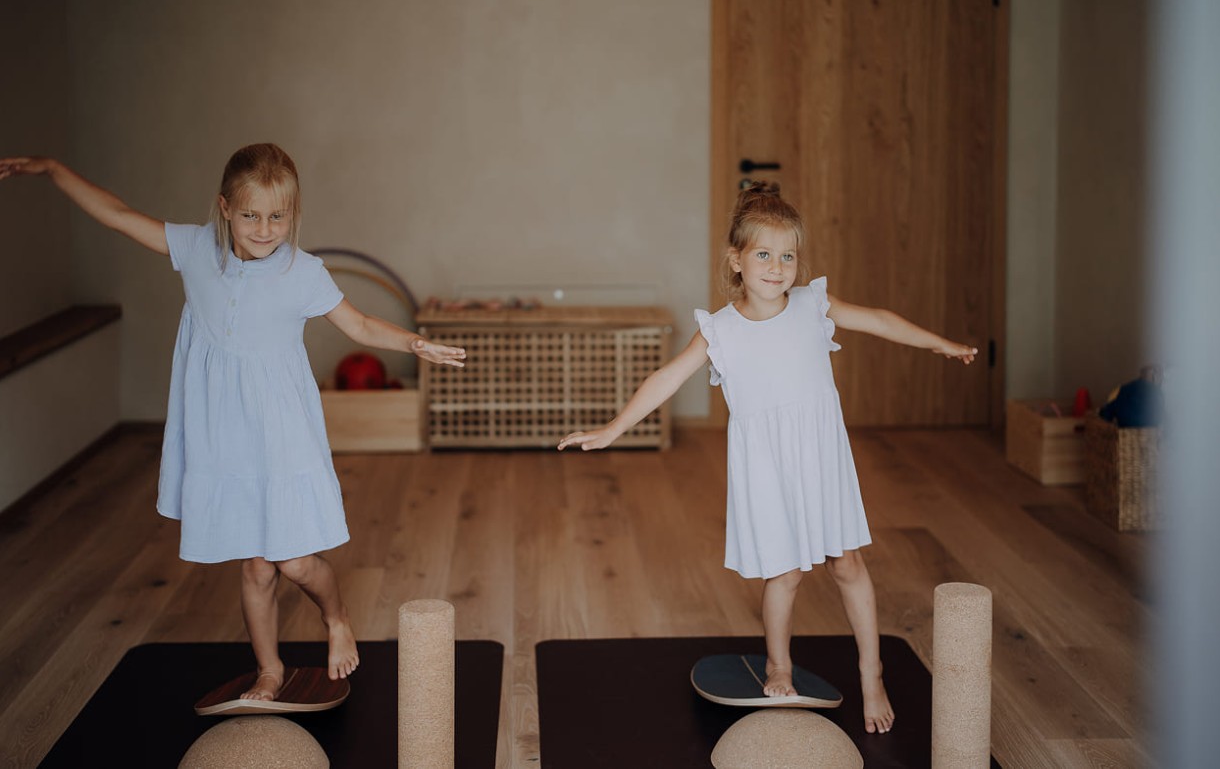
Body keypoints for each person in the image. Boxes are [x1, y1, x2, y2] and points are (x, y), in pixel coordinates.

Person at [0, 145, 466, 705]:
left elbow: (360, 324)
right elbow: (119, 215)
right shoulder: (196, 249)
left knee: (293, 560)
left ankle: (336, 615)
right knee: (256, 566)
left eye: (278, 215)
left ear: (294, 213)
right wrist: (53, 170)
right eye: (251, 214)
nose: (265, 229)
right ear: (224, 208)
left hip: (282, 434)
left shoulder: (302, 271)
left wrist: (413, 343)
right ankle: (269, 670)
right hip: (224, 435)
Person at [558, 181, 976, 734]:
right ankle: (778, 665)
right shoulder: (720, 331)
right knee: (786, 575)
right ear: (736, 260)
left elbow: (878, 319)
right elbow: (665, 379)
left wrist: (937, 343)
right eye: (763, 254)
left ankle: (871, 674)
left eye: (787, 256)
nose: (777, 268)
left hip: (821, 459)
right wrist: (613, 428)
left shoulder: (812, 305)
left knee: (848, 564)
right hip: (768, 471)